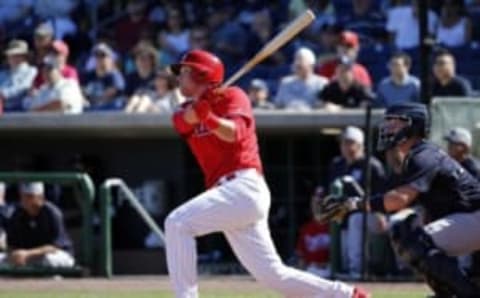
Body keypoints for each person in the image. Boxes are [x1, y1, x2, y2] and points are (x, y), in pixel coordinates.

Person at [166, 49, 369, 298]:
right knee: (272, 274)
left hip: (244, 187)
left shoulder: (233, 95)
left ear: (201, 75)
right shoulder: (185, 108)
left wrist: (209, 117)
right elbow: (182, 121)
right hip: (227, 195)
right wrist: (201, 110)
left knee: (177, 223)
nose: (179, 78)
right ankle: (347, 295)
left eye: (185, 72)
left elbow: (234, 133)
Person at [319, 103, 480, 297]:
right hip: (470, 218)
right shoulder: (419, 154)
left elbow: (399, 199)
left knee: (413, 241)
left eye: (395, 123)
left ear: (414, 125)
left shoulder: (422, 155)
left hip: (475, 216)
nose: (388, 128)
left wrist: (354, 203)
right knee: (404, 230)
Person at [327, 126, 387, 278]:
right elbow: (325, 189)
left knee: (356, 220)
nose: (346, 147)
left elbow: (382, 193)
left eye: (350, 143)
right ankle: (346, 271)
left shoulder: (372, 165)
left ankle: (357, 270)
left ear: (360, 145)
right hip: (343, 218)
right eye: (343, 143)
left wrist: (379, 212)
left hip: (372, 215)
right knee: (343, 255)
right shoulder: (337, 164)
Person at [2, 182, 74, 268]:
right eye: (24, 196)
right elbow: (12, 244)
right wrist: (15, 254)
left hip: (55, 254)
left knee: (49, 260)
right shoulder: (18, 213)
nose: (26, 200)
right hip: (28, 256)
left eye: (30, 197)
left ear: (41, 197)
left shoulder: (52, 213)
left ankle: (54, 280)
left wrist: (28, 254)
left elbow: (54, 247)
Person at [296, 187, 331, 278]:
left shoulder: (335, 227)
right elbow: (301, 258)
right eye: (315, 202)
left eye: (321, 201)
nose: (318, 205)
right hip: (312, 270)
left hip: (330, 270)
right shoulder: (306, 228)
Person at [82, 43, 126, 110]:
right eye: (97, 55)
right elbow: (82, 91)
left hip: (108, 112)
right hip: (90, 110)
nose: (99, 59)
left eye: (103, 55)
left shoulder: (114, 75)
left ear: (110, 59)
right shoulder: (88, 75)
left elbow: (108, 96)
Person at [0, 40, 37, 112]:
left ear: (24, 57)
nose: (15, 58)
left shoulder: (31, 71)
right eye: (12, 55)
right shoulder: (3, 73)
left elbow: (23, 87)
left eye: (18, 55)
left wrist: (3, 94)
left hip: (20, 112)